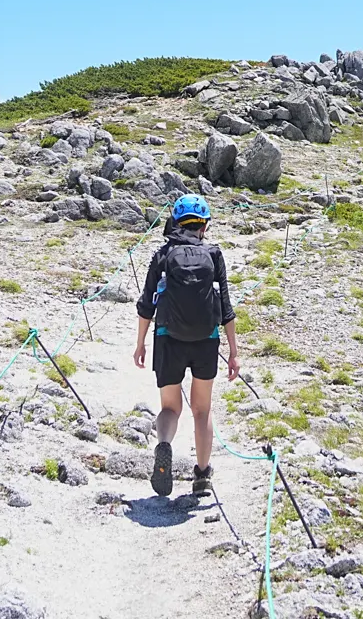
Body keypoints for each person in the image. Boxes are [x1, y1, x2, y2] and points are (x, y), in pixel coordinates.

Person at [133, 194, 240, 497]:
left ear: (175, 223)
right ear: (204, 226)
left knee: (170, 407)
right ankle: (202, 476)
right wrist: (233, 352)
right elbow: (226, 307)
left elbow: (146, 305)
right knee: (202, 410)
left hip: (168, 337)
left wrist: (140, 344)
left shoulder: (163, 255)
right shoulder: (214, 255)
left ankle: (164, 445)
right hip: (206, 339)